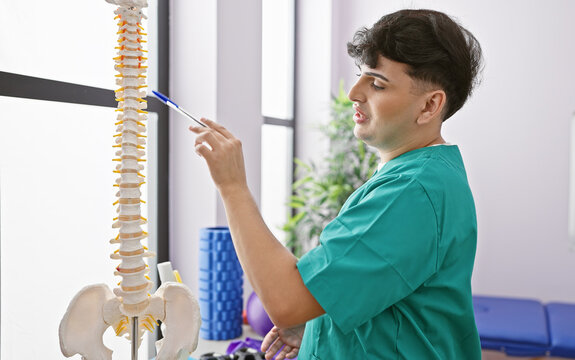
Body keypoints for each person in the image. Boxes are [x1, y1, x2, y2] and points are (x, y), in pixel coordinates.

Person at [190, 8, 483, 360]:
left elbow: (285, 302)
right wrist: (316, 325)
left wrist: (233, 187)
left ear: (430, 105)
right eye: (360, 77)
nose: (354, 93)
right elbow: (383, 293)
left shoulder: (411, 192)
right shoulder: (424, 176)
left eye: (377, 83)